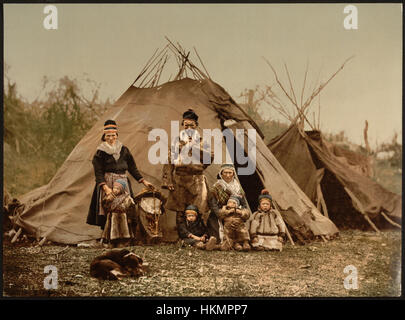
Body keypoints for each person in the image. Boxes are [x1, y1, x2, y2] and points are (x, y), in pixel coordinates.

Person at [87, 119, 154, 237]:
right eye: (108, 136)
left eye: (113, 135)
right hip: (107, 182)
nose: (111, 138)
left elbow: (132, 168)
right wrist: (106, 189)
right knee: (110, 209)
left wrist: (143, 181)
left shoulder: (124, 150)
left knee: (125, 207)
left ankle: (125, 236)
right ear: (104, 136)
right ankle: (109, 236)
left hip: (123, 182)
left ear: (117, 135)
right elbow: (98, 173)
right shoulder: (100, 152)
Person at [162, 109, 213, 237]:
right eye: (186, 125)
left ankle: (199, 236)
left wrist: (193, 147)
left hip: (196, 179)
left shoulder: (202, 142)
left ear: (196, 126)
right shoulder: (176, 141)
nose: (189, 128)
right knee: (180, 209)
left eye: (192, 125)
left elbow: (209, 159)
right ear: (182, 125)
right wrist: (168, 180)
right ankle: (183, 236)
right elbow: (169, 161)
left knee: (197, 208)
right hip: (180, 178)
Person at [207, 164, 249, 244]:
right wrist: (222, 214)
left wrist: (242, 213)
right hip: (219, 215)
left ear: (233, 174)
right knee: (218, 237)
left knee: (239, 230)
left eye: (230, 173)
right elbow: (213, 205)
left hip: (235, 214)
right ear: (221, 174)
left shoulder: (238, 188)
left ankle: (237, 243)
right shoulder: (216, 187)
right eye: (225, 173)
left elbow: (244, 205)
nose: (228, 175)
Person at [101, 179, 136, 248]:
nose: (115, 190)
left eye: (118, 189)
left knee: (123, 230)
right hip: (112, 216)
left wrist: (130, 218)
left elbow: (131, 208)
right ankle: (112, 242)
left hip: (123, 217)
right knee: (112, 230)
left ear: (122, 189)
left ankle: (122, 242)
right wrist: (107, 201)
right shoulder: (110, 196)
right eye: (114, 188)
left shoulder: (127, 198)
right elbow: (105, 206)